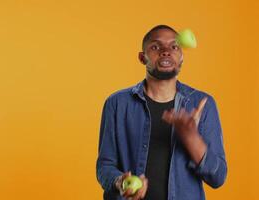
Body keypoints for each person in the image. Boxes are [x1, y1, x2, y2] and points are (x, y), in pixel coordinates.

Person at [96, 25, 227, 200]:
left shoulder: (203, 104)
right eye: (156, 47)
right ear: (142, 58)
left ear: (181, 58)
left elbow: (217, 178)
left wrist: (191, 138)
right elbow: (105, 166)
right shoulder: (117, 103)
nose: (166, 51)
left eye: (174, 46)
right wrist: (120, 182)